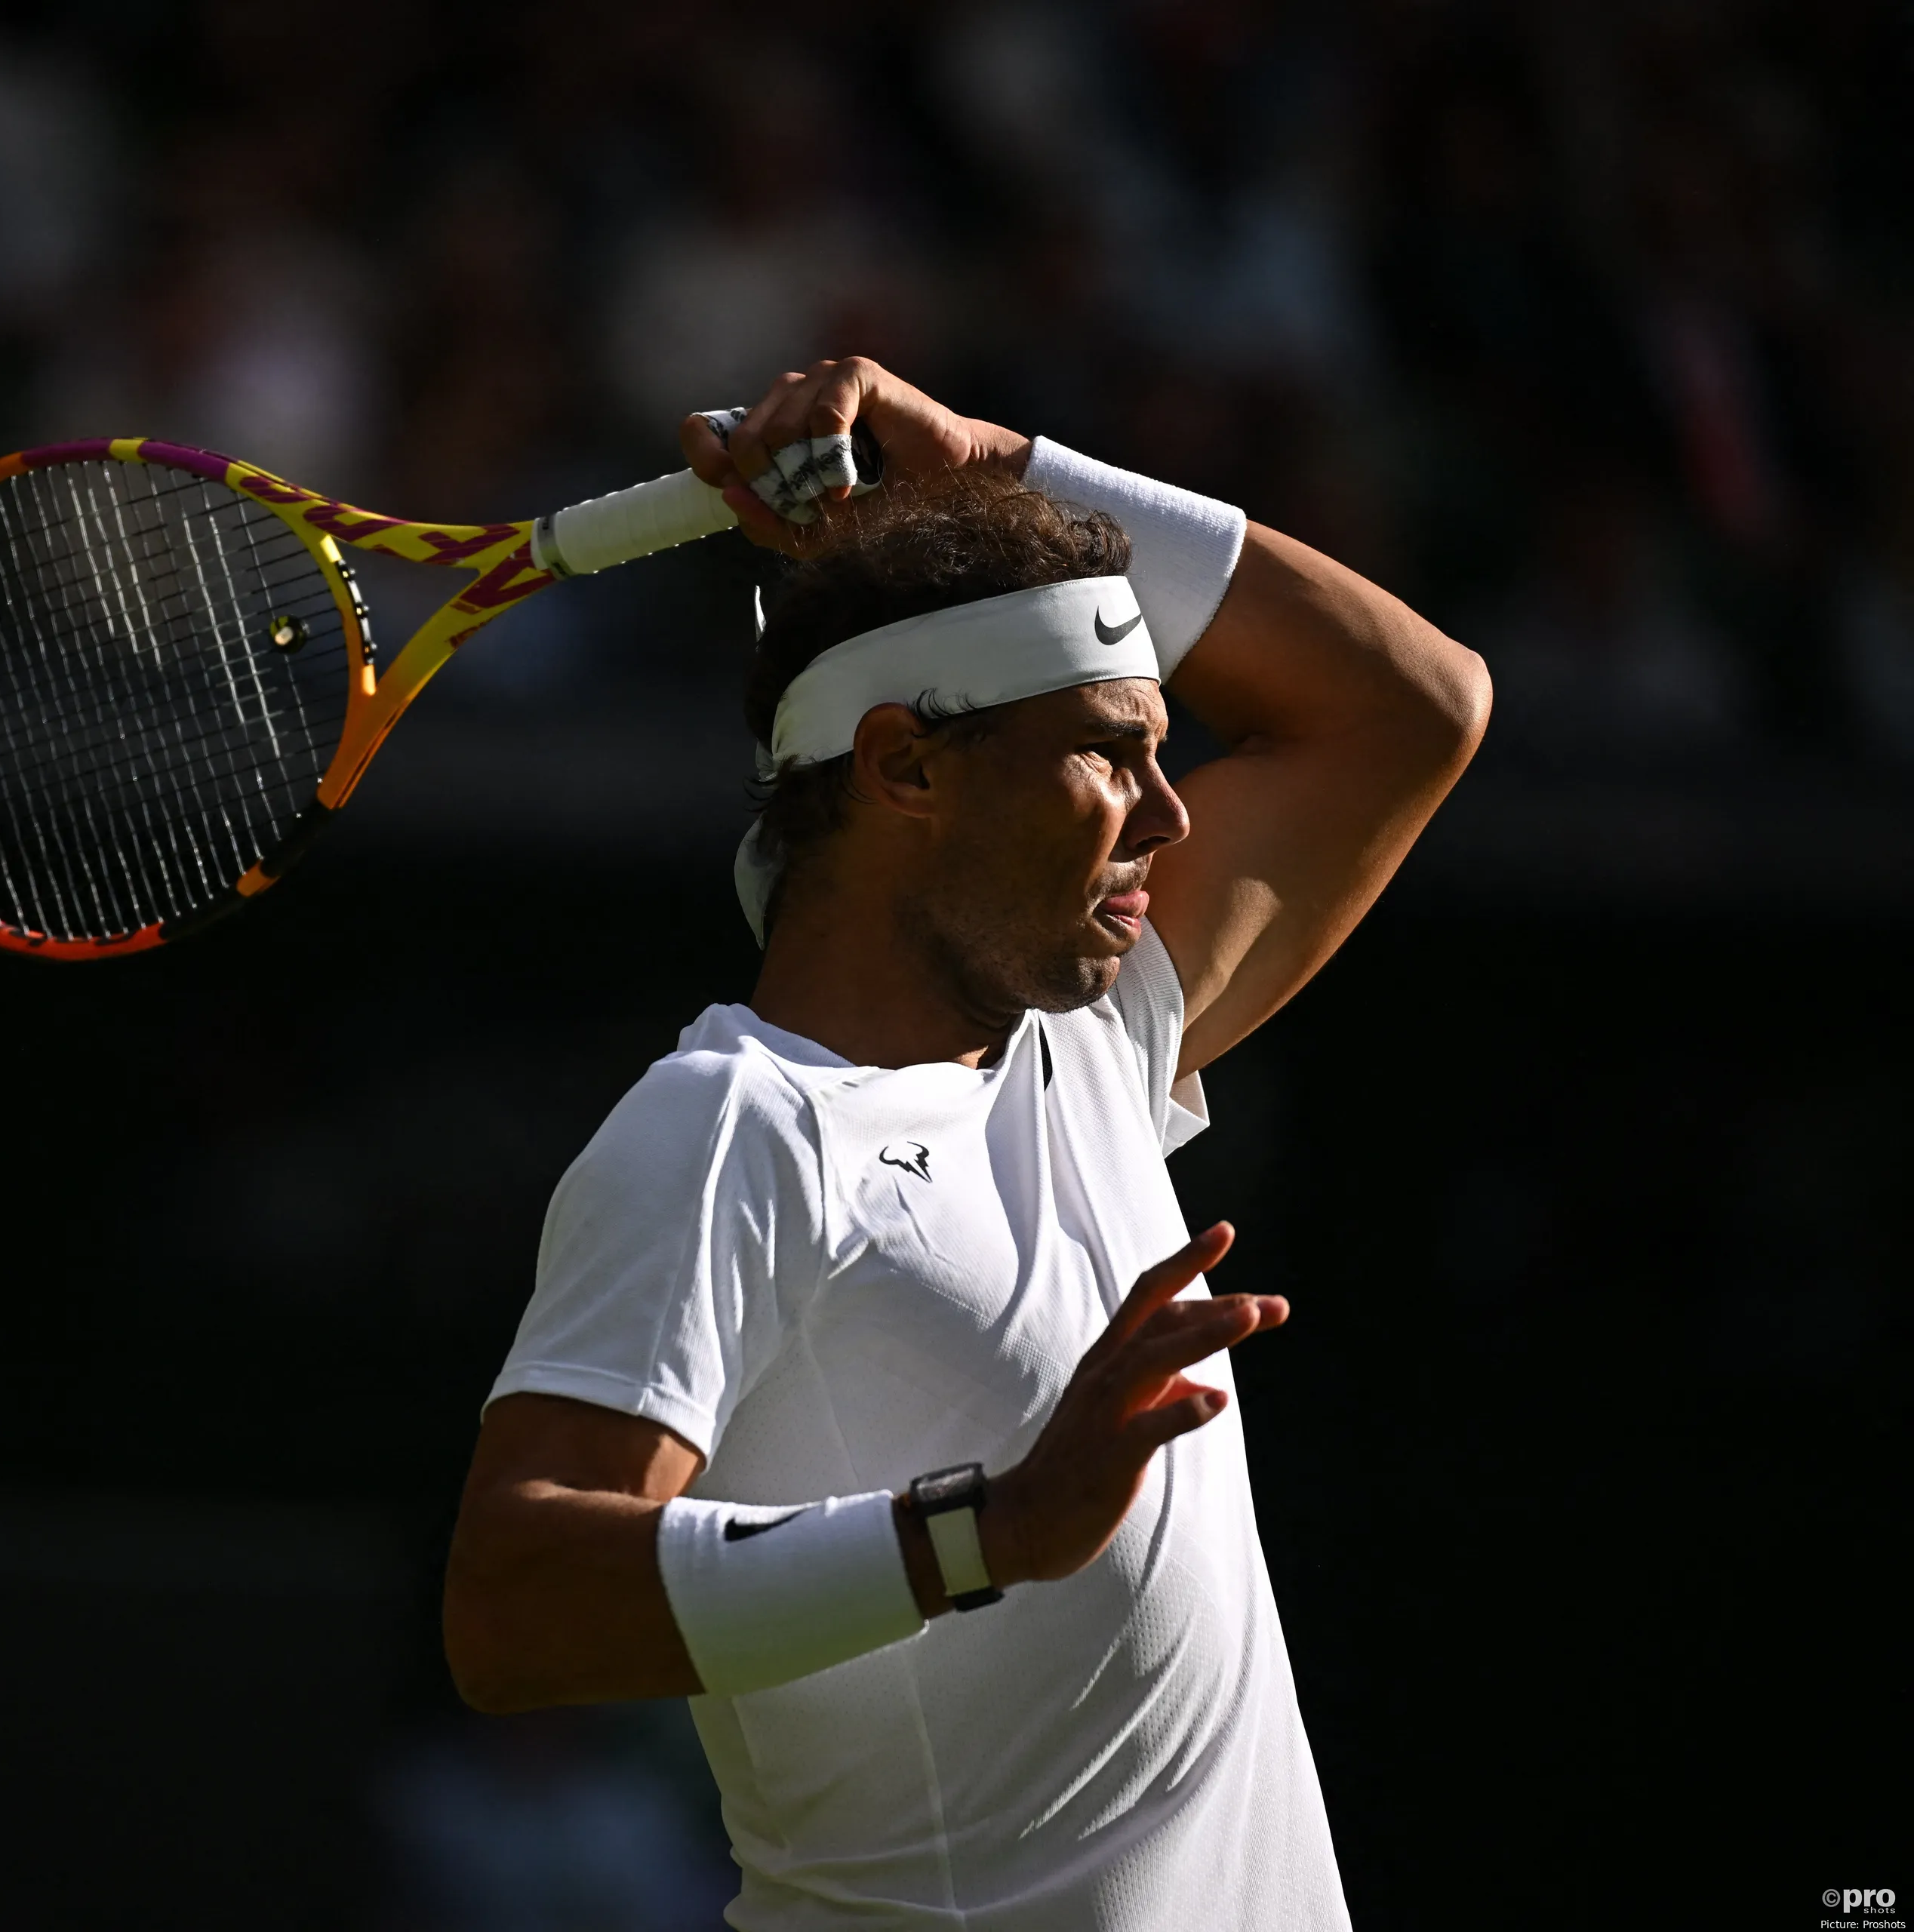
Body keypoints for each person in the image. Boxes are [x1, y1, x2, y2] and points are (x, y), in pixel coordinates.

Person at [442, 358, 1490, 1929]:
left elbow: (1418, 704)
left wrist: (1005, 465)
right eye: (1109, 751)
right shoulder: (731, 1125)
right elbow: (512, 1607)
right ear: (907, 768)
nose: (1171, 812)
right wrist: (981, 1532)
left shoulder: (1091, 1044)